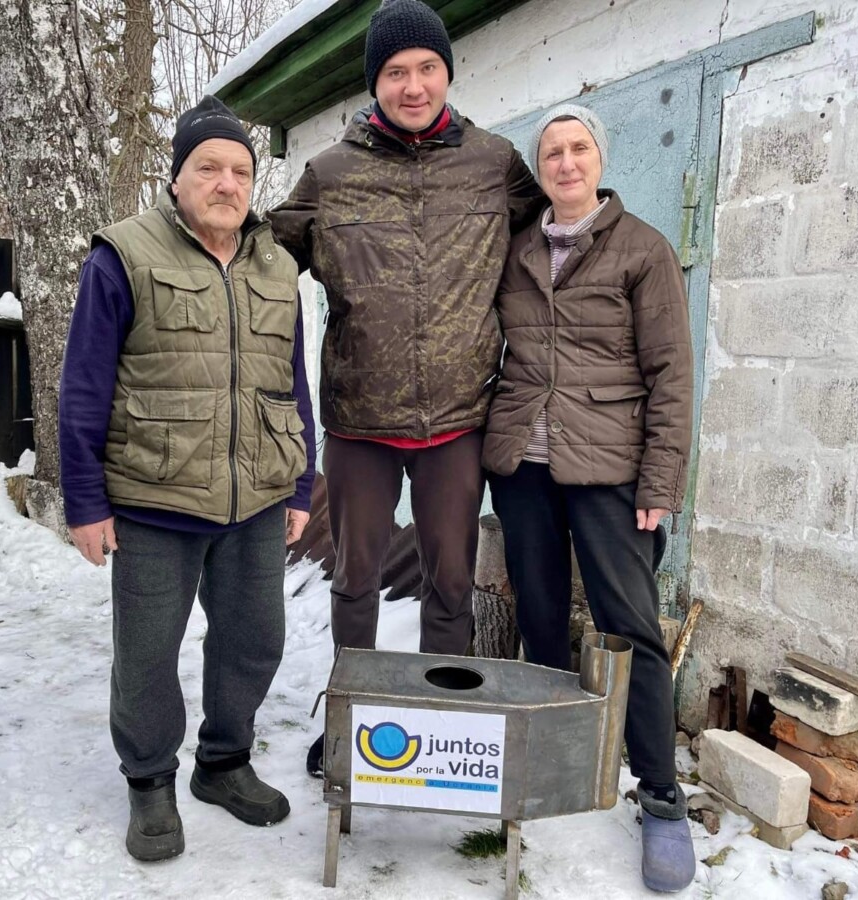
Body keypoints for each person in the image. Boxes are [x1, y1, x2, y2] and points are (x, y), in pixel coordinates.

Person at [268, 0, 543, 778]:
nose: (412, 85)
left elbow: (547, 242)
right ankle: (352, 719)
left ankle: (439, 720)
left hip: (457, 418)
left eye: (426, 68)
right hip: (359, 419)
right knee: (354, 580)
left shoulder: (495, 165)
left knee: (449, 583)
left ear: (447, 74)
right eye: (395, 72)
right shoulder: (330, 173)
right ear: (375, 84)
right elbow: (261, 267)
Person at [58, 96, 316, 862]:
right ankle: (149, 781)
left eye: (240, 171)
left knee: (255, 641)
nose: (227, 183)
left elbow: (290, 384)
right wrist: (84, 502)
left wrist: (300, 484)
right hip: (153, 497)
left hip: (258, 498)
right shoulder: (124, 256)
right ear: (177, 179)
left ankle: (224, 763)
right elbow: (83, 385)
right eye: (209, 167)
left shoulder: (277, 266)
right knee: (146, 655)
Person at [481, 104, 696, 892]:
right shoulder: (518, 249)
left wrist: (660, 481)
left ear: (600, 159)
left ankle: (663, 799)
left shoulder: (644, 251)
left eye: (578, 149)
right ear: (539, 169)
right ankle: (551, 760)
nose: (566, 163)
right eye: (552, 152)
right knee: (538, 614)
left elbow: (673, 375)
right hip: (525, 468)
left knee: (628, 630)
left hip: (611, 470)